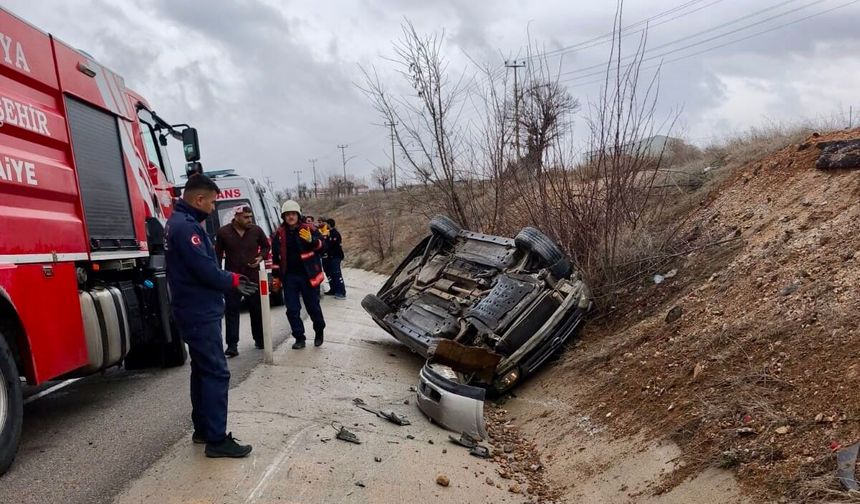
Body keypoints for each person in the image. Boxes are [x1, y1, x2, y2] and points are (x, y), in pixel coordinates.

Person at [165, 174, 256, 458]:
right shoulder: (186, 228)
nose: (214, 207)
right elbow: (203, 269)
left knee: (202, 370)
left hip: (192, 308)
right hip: (199, 311)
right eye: (213, 202)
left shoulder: (179, 222)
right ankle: (216, 439)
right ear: (199, 199)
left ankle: (204, 429)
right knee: (216, 372)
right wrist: (232, 280)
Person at [215, 205, 271, 357]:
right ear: (237, 216)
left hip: (252, 277)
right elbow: (217, 255)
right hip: (232, 279)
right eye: (246, 217)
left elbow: (266, 247)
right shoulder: (223, 232)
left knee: (256, 309)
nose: (249, 220)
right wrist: (217, 275)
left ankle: (260, 340)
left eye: (250, 217)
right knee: (232, 311)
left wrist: (260, 257)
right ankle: (232, 346)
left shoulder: (256, 230)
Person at [271, 200, 327, 348]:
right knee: (292, 310)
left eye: (293, 214)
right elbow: (275, 258)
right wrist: (276, 277)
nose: (290, 217)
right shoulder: (279, 234)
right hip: (289, 277)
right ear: (283, 216)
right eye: (287, 214)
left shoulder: (309, 229)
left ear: (298, 215)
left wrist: (312, 241)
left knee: (313, 307)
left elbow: (322, 247)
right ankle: (299, 338)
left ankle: (319, 330)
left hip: (308, 275)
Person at [321, 218, 346, 299]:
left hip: (336, 256)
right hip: (330, 257)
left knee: (336, 273)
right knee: (331, 274)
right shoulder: (329, 233)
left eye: (326, 224)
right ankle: (334, 290)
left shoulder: (335, 234)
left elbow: (333, 246)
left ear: (329, 224)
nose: (325, 226)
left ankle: (341, 292)